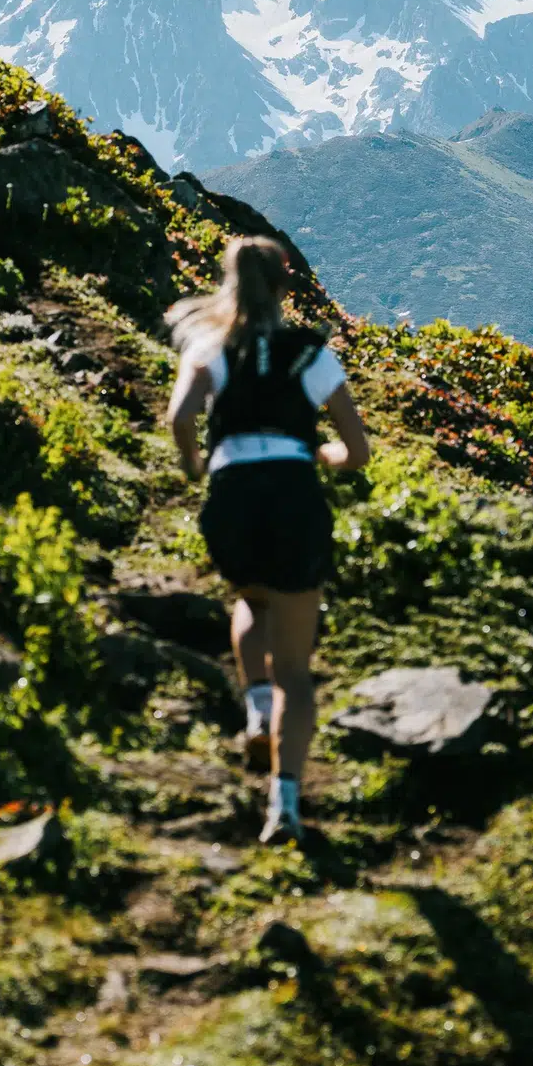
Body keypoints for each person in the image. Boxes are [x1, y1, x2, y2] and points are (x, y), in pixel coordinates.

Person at [166, 235, 370, 844]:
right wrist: (324, 456)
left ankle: (255, 708)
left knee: (250, 599)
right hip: (293, 494)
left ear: (229, 282)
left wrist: (195, 465)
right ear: (286, 285)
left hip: (231, 492)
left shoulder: (210, 347)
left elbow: (179, 418)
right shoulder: (310, 354)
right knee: (298, 671)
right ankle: (285, 807)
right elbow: (357, 451)